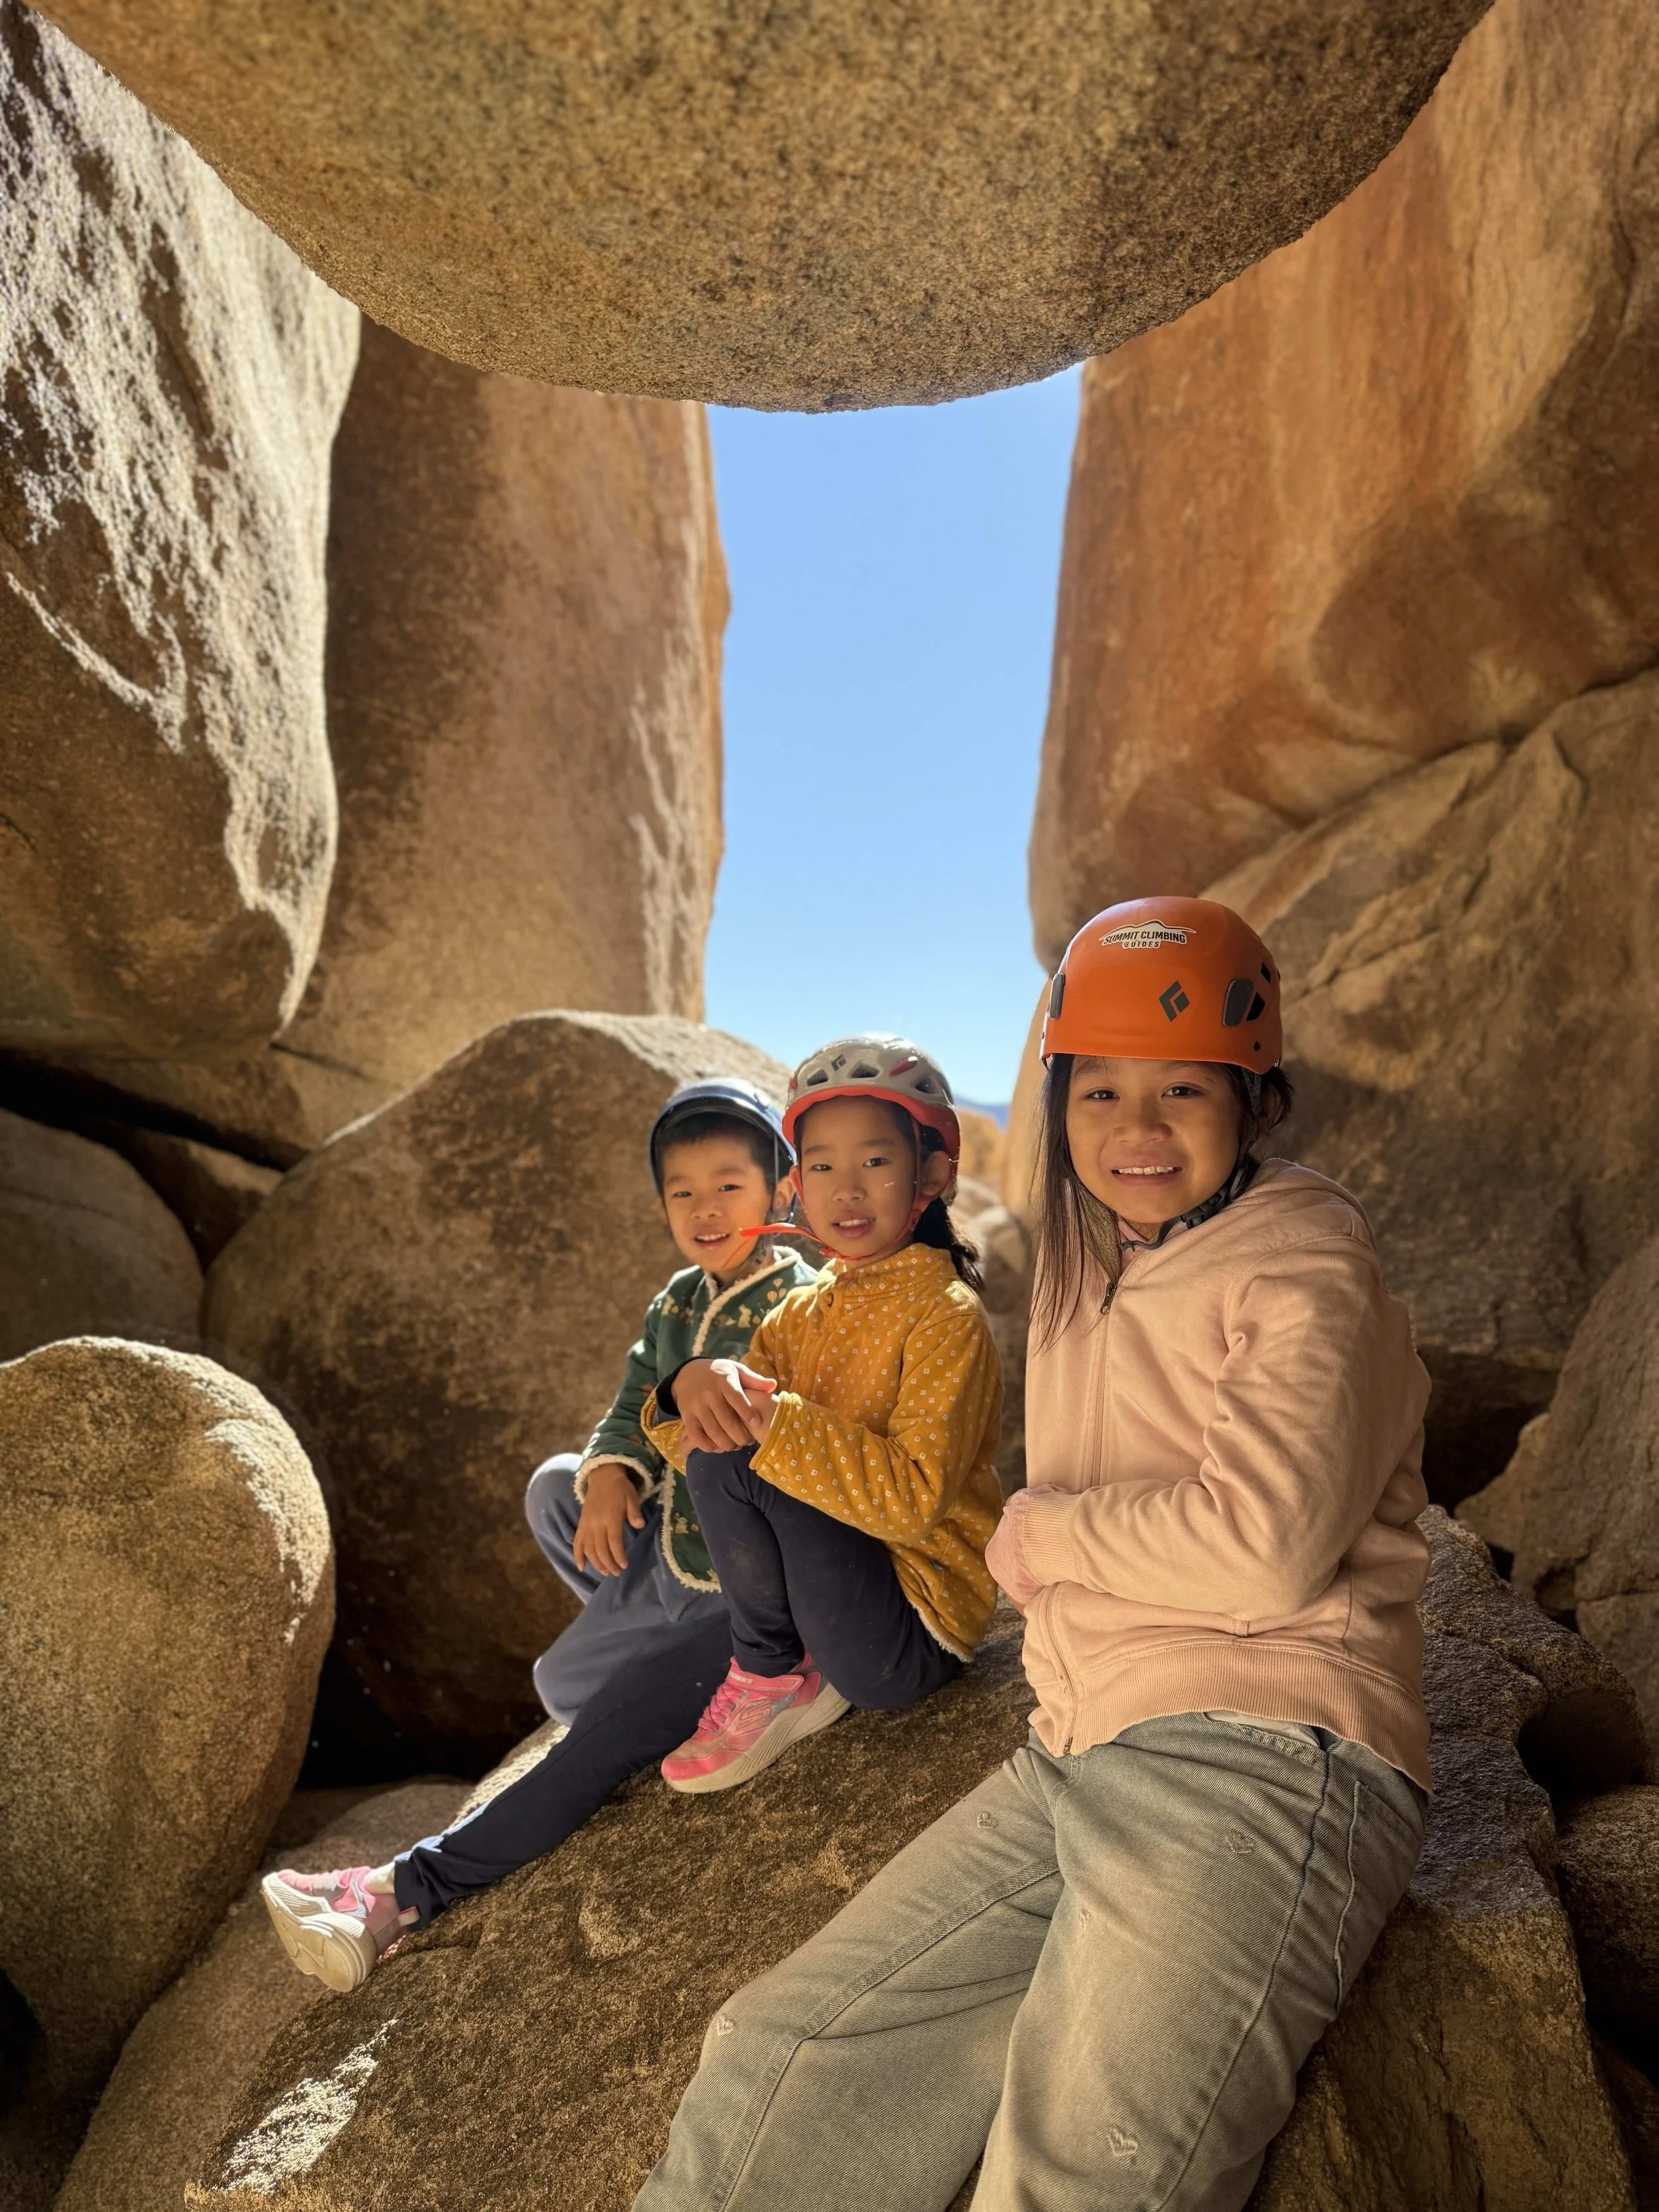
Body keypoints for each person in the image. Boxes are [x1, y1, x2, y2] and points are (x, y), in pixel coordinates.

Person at [634, 898, 1433, 2212]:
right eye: (1099, 1090)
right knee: (784, 2057)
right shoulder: (1087, 1257)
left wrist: (1036, 1535)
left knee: (1070, 2177)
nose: (1136, 1126)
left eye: (1184, 1088)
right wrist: (698, 1383)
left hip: (1267, 1758)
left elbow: (1265, 1547)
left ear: (1259, 1101)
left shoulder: (1304, 1266)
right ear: (1057, 1104)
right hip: (1074, 1750)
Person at [260, 1078, 818, 1993]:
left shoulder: (803, 1303)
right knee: (557, 1490)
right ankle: (636, 1635)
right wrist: (611, 1476)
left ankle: (395, 1896)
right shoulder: (679, 1301)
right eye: (683, 1191)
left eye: (730, 1185)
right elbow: (633, 1401)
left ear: (782, 1190)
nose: (706, 1209)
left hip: (745, 1598)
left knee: (583, 1712)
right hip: (673, 1559)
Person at [642, 1035, 1005, 1793]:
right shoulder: (799, 1315)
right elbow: (710, 1460)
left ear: (932, 1174)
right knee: (727, 1442)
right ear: (798, 1183)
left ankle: (772, 1671)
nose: (847, 1190)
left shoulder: (945, 1315)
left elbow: (912, 1503)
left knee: (748, 1443)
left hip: (911, 1631)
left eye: (874, 1161)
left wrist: (773, 1420)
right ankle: (778, 1667)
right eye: (822, 1166)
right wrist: (684, 1386)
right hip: (833, 1602)